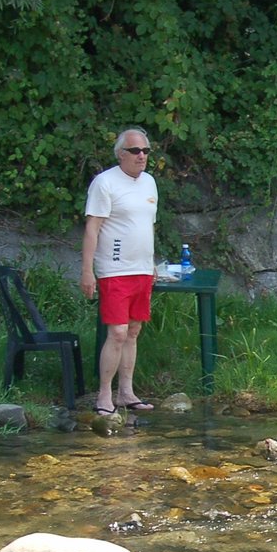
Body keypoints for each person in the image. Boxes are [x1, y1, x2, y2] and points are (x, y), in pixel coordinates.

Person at [81, 127, 159, 415]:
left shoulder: (150, 183)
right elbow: (93, 228)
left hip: (141, 268)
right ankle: (104, 395)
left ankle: (126, 392)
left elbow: (147, 224)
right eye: (136, 151)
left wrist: (150, 262)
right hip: (114, 268)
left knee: (134, 330)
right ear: (121, 154)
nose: (142, 156)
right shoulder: (105, 183)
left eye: (146, 151)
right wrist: (87, 270)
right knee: (117, 331)